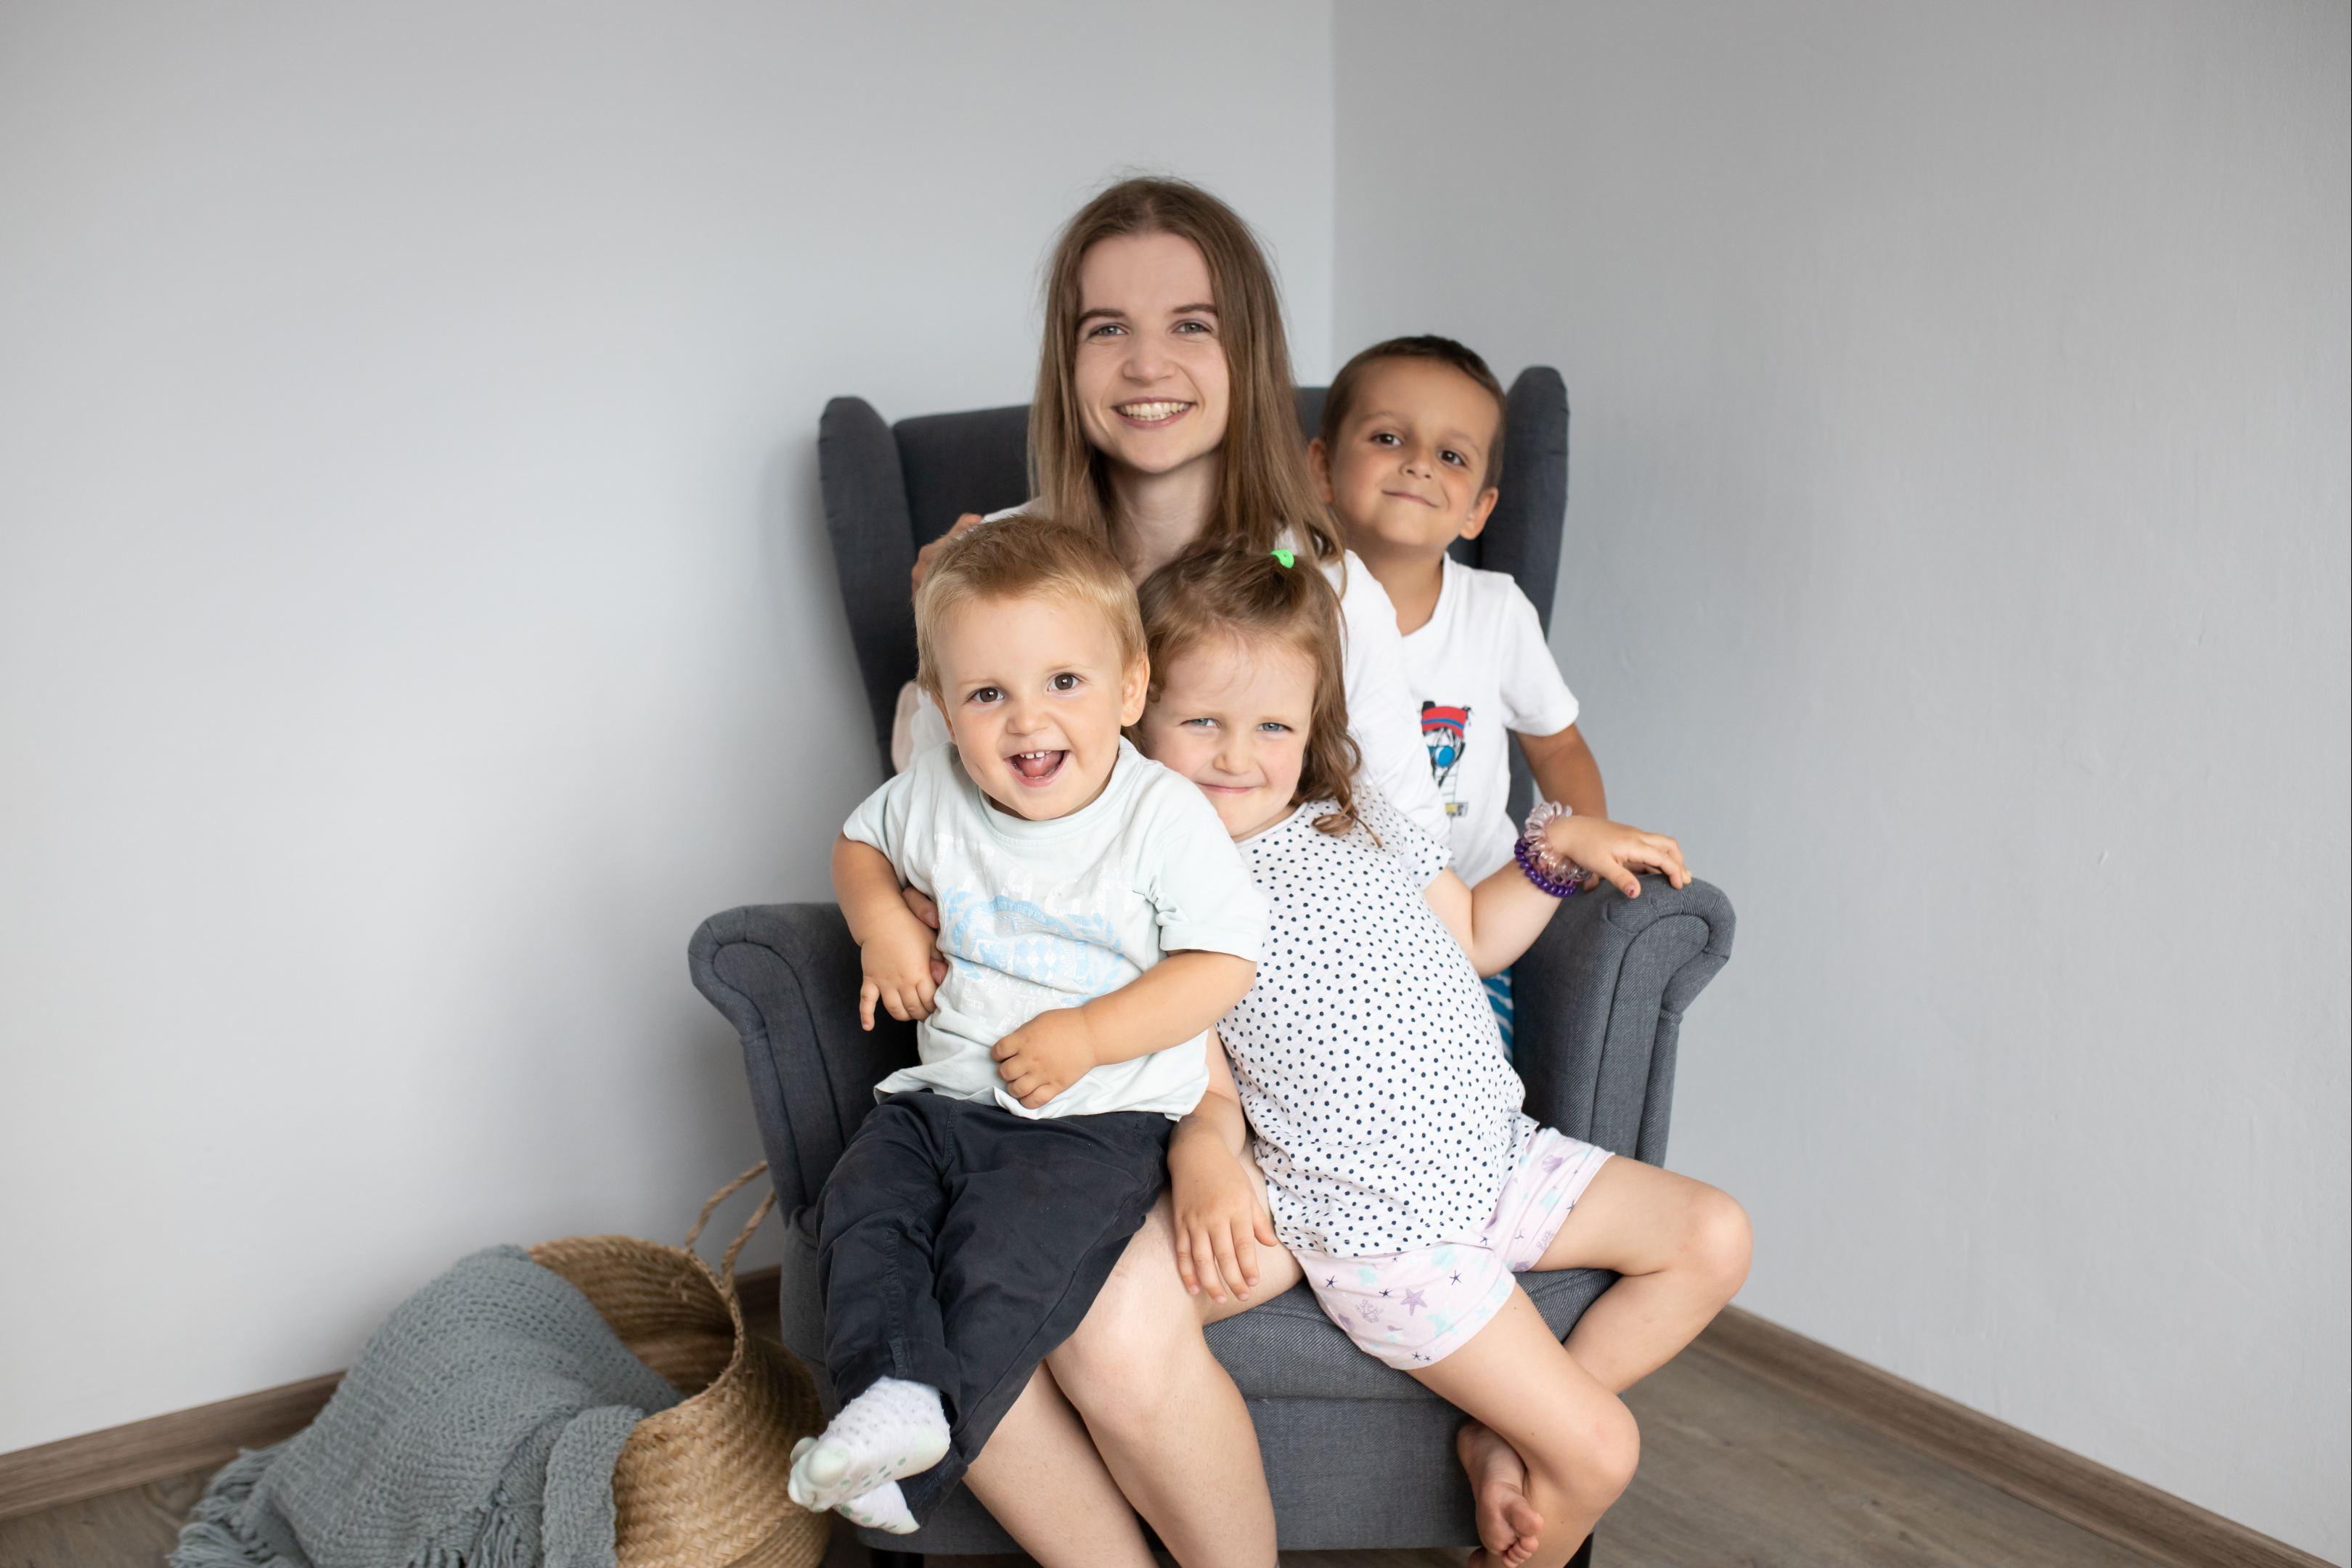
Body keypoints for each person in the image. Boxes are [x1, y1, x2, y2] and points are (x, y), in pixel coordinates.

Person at [1133, 546, 1752, 1568]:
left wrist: (1555, 854)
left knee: (1715, 1235)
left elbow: (1472, 936)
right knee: (1601, 1452)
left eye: (1272, 726)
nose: (1237, 755)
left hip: (1499, 1158)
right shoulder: (1170, 881)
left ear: (1312, 727)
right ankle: (1539, 1435)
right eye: (1202, 722)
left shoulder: (1359, 815)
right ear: (1138, 716)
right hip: (1384, 1229)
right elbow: (1198, 1069)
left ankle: (1504, 1432)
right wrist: (1203, 1148)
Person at [793, 514, 1264, 1535]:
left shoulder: (1159, 816)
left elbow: (1222, 963)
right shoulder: (935, 790)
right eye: (987, 695)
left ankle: (912, 1461)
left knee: (1000, 1267)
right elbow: (857, 848)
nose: (1026, 721)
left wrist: (1089, 1036)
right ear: (942, 710)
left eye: (1063, 682)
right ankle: (894, 1396)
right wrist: (883, 926)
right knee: (861, 1212)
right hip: (938, 1105)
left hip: (1092, 1123)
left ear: (1130, 690)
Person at [1312, 335, 1610, 1055]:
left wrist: (1587, 837)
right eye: (1388, 438)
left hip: (1471, 921)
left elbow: (1558, 746)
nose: (1418, 462)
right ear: (1320, 469)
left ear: (1478, 510)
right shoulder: (1287, 589)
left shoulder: (1495, 611)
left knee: (1459, 1072)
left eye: (1451, 456)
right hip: (1328, 922)